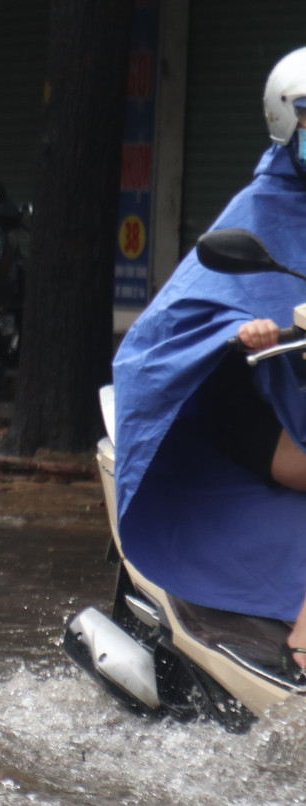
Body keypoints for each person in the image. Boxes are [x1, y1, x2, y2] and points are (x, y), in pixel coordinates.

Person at [113, 47, 306, 670]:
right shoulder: (259, 210)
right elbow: (196, 305)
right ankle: (301, 658)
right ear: (287, 123)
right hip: (256, 413)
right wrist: (239, 329)